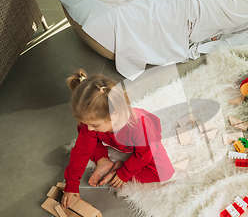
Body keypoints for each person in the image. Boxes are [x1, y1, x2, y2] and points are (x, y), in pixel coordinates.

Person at [61, 70, 174, 208]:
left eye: (94, 125)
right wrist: (71, 184)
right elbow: (81, 151)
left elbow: (144, 155)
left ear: (114, 114)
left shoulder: (140, 127)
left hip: (146, 145)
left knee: (165, 172)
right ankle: (103, 161)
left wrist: (124, 173)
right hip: (113, 140)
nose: (89, 128)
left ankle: (115, 168)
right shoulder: (92, 126)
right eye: (88, 123)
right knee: (85, 138)